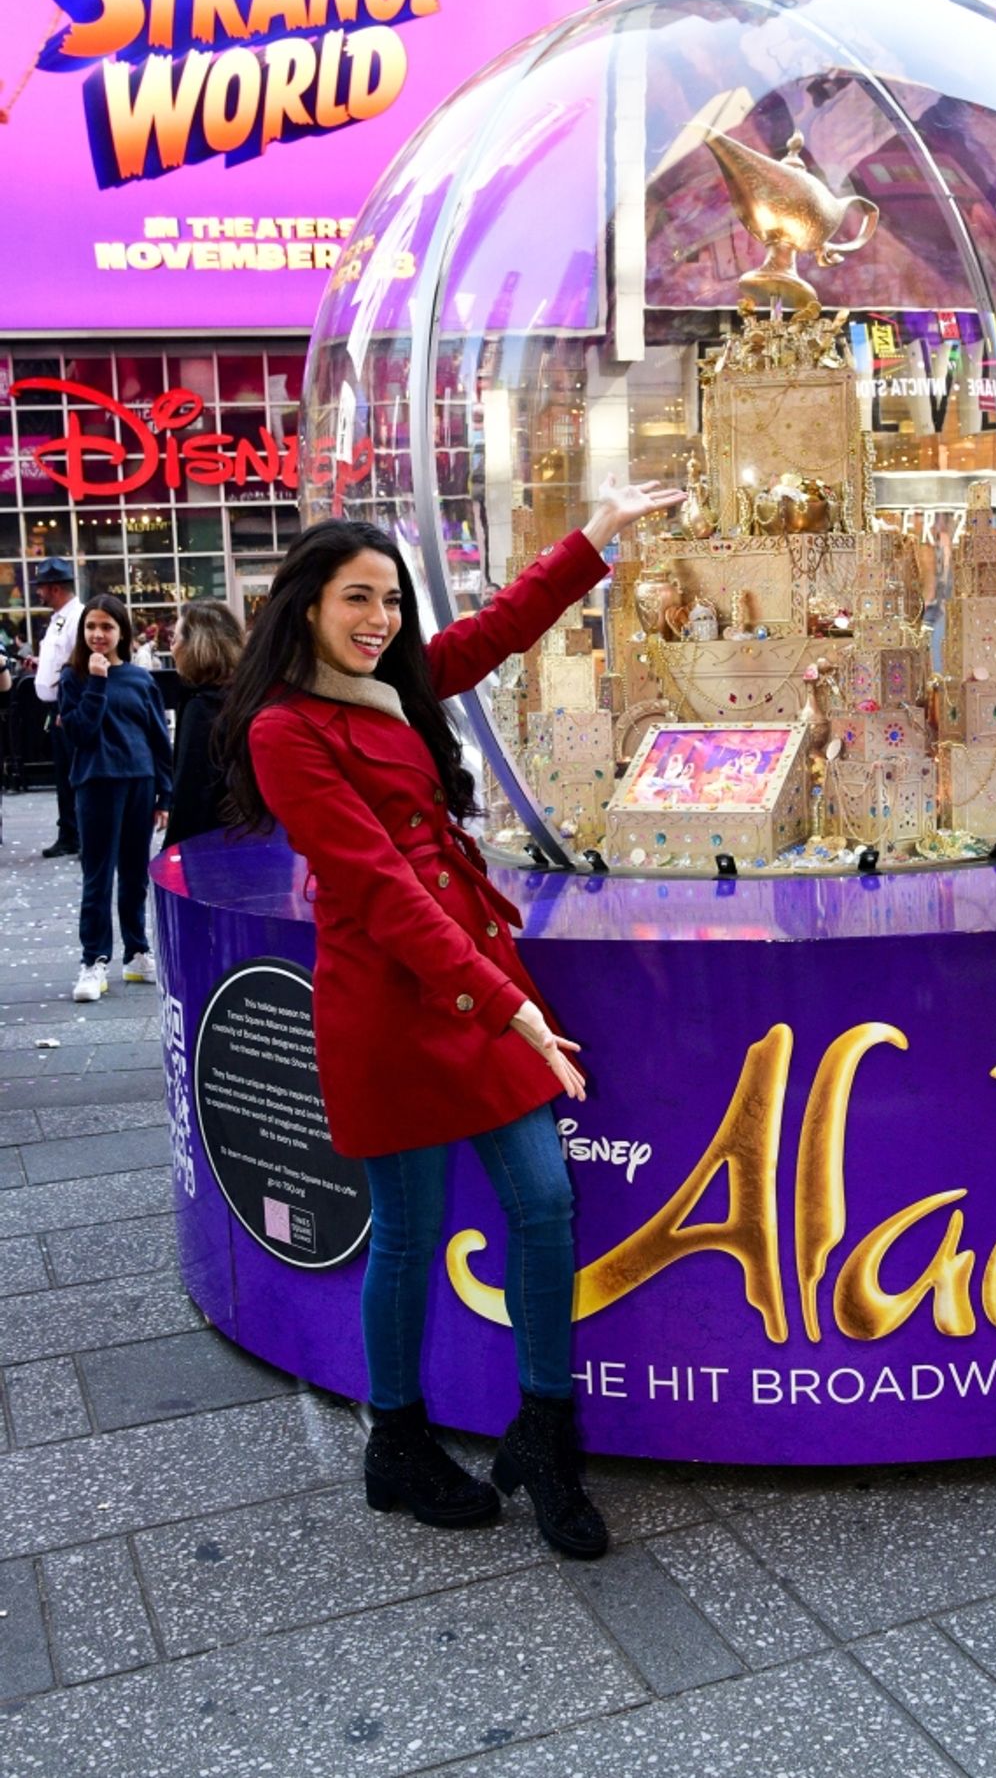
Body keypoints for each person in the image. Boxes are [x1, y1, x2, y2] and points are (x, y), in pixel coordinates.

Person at [218, 476, 681, 1560]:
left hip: (472, 982)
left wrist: (593, 536)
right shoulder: (288, 730)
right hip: (391, 1002)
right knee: (410, 1231)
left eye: (388, 597)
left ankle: (543, 1434)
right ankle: (399, 1440)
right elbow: (377, 886)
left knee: (543, 1200)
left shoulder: (397, 681)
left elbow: (499, 627)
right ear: (305, 608)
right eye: (355, 599)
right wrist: (512, 1006)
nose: (379, 618)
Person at [58, 594, 173, 1003]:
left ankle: (137, 951)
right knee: (97, 875)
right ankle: (94, 960)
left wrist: (166, 794)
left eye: (106, 627)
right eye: (91, 626)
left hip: (139, 783)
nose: (98, 634)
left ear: (122, 631)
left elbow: (159, 740)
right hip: (95, 784)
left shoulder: (142, 681)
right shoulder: (73, 678)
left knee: (134, 874)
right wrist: (96, 682)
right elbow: (80, 734)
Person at [163, 599, 244, 848]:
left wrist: (172, 850)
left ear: (194, 646)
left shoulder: (202, 706)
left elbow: (192, 792)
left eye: (174, 639)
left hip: (210, 845)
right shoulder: (244, 695)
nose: (172, 648)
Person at [31, 555, 81, 857]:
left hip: (68, 705)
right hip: (56, 705)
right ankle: (69, 833)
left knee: (73, 774)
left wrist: (70, 706)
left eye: (42, 587)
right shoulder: (60, 617)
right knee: (63, 774)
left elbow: (79, 664)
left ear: (55, 588)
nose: (38, 592)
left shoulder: (77, 617)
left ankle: (79, 834)